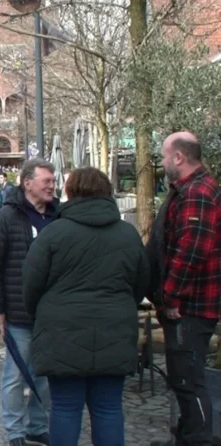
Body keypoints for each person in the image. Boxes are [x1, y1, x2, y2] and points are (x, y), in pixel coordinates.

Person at [22, 168, 149, 446]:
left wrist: (42, 315)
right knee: (108, 407)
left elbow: (30, 286)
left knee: (65, 407)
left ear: (71, 192)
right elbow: (140, 285)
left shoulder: (53, 233)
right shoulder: (128, 235)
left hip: (62, 331)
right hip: (114, 329)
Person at [148, 132, 221, 446]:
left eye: (164, 157)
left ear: (178, 157)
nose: (162, 163)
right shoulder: (190, 190)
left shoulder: (197, 193)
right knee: (184, 379)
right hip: (189, 305)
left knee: (189, 380)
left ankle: (199, 439)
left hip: (191, 307)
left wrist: (171, 296)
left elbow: (191, 251)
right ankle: (190, 435)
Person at [0, 158, 58, 446]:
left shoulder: (57, 216)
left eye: (53, 181)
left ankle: (37, 426)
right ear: (27, 183)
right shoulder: (6, 217)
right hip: (18, 311)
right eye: (46, 181)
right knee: (15, 376)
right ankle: (15, 431)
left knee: (44, 376)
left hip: (50, 314)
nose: (52, 186)